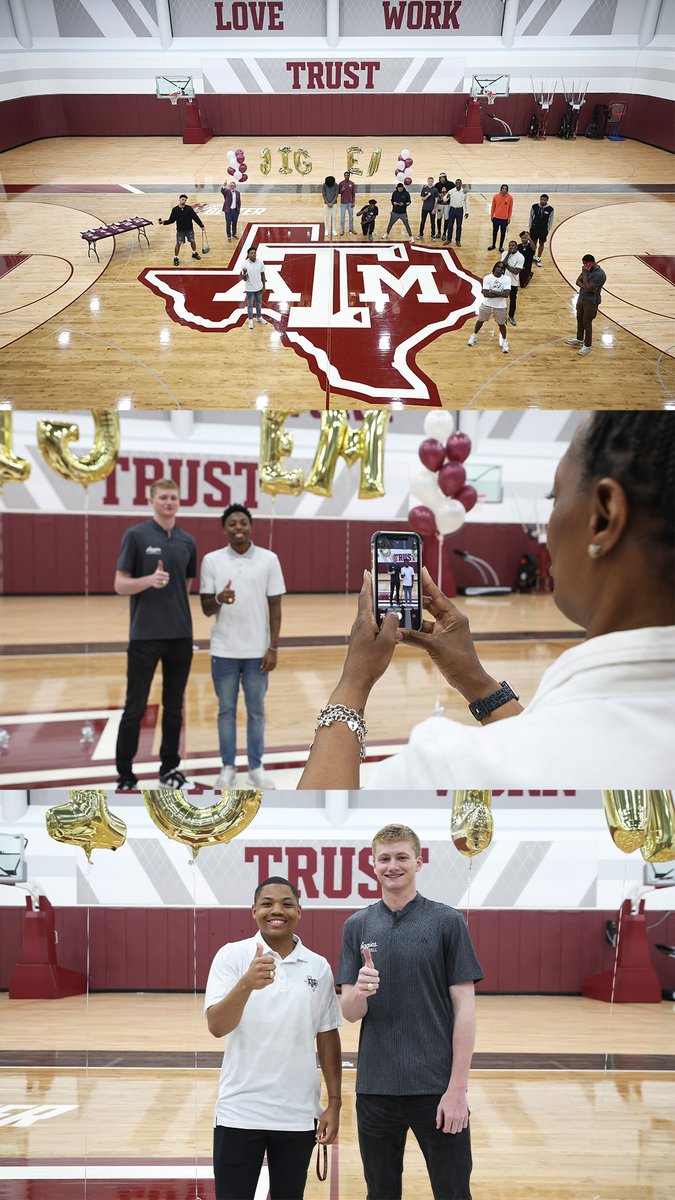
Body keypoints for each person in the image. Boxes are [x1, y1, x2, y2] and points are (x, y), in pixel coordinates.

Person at [298, 412, 675, 789]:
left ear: (605, 516)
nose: (550, 521)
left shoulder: (447, 768)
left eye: (554, 497)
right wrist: (476, 681)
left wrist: (353, 682)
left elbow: (320, 837)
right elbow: (540, 747)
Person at [338, 824, 482, 1200]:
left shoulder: (447, 921)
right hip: (375, 1089)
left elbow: (465, 1008)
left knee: (453, 1193)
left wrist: (457, 1090)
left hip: (435, 1089)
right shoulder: (357, 926)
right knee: (381, 1194)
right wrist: (362, 989)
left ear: (419, 861)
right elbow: (350, 1012)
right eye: (384, 858)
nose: (393, 866)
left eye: (402, 857)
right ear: (372, 865)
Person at [205, 876, 342, 1200]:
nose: (276, 910)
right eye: (267, 904)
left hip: (297, 1114)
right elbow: (216, 1026)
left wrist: (334, 1103)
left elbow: (327, 1034)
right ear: (253, 910)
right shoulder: (232, 956)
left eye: (286, 903)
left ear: (299, 911)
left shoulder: (318, 966)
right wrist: (246, 984)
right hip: (239, 1111)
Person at [114, 478, 196, 791]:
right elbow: (120, 585)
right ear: (152, 501)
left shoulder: (187, 541)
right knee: (134, 707)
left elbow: (185, 587)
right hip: (144, 637)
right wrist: (149, 580)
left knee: (174, 706)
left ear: (179, 501)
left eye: (173, 497)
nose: (169, 502)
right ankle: (125, 775)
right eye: (163, 497)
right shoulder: (135, 536)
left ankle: (170, 770)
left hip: (180, 637)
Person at [200, 503, 285, 789]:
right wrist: (221, 598)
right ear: (224, 529)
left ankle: (256, 767)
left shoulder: (269, 559)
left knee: (256, 710)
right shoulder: (211, 560)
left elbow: (276, 607)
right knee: (226, 710)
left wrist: (273, 647)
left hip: (257, 652)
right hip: (223, 650)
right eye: (232, 523)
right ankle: (227, 767)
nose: (238, 527)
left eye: (243, 523)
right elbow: (205, 608)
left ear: (250, 526)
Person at [566, 253, 607, 357]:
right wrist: (586, 285)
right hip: (582, 298)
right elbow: (577, 282)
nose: (584, 266)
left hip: (591, 302)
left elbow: (589, 288)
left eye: (585, 264)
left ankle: (587, 345)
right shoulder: (588, 269)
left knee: (587, 323)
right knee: (579, 319)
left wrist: (584, 275)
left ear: (591, 262)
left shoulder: (600, 275)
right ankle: (579, 339)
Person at [467, 260, 510, 354]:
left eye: (502, 268)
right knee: (480, 321)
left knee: (502, 324)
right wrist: (500, 293)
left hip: (500, 307)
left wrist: (493, 291)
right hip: (486, 304)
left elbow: (506, 294)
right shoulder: (487, 278)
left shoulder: (507, 279)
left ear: (503, 270)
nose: (500, 268)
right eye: (498, 266)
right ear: (495, 267)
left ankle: (504, 340)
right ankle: (474, 335)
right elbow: (486, 294)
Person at [159, 193, 204, 266]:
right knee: (178, 244)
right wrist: (164, 222)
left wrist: (201, 225)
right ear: (179, 199)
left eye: (185, 200)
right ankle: (176, 257)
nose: (184, 201)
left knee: (192, 241)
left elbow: (195, 217)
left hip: (189, 229)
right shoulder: (175, 210)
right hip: (180, 230)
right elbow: (172, 220)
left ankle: (194, 253)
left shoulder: (189, 208)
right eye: (183, 199)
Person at [241, 246, 266, 330]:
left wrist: (264, 286)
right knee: (250, 305)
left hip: (259, 288)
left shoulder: (260, 262)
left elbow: (263, 274)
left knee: (259, 303)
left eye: (254, 253)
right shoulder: (244, 264)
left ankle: (259, 317)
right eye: (251, 253)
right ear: (248, 255)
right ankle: (250, 320)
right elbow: (245, 279)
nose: (253, 254)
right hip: (250, 289)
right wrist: (244, 273)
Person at [501, 239, 525, 326]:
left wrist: (506, 265)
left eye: (513, 245)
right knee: (502, 298)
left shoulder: (520, 257)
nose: (511, 247)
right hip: (503, 281)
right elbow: (502, 265)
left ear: (516, 247)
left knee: (513, 300)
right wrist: (508, 254)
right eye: (510, 245)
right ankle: (501, 315)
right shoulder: (504, 253)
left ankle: (511, 316)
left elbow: (516, 271)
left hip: (513, 282)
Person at [529, 193, 555, 265]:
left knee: (541, 243)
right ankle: (533, 256)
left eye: (544, 200)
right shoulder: (534, 206)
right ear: (540, 199)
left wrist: (547, 229)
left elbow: (551, 220)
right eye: (542, 199)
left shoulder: (550, 209)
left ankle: (539, 257)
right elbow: (531, 217)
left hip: (543, 229)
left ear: (547, 201)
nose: (543, 201)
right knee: (533, 242)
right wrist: (530, 227)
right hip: (534, 227)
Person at [488, 183, 512, 252]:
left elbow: (510, 209)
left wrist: (509, 218)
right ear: (501, 189)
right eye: (503, 188)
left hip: (504, 219)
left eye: (505, 189)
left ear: (507, 190)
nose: (504, 190)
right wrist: (492, 216)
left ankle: (501, 246)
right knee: (494, 232)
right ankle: (493, 245)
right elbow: (493, 207)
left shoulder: (510, 197)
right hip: (496, 218)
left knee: (503, 233)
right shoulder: (496, 196)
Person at [445, 178, 469, 246]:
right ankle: (448, 239)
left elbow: (467, 202)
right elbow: (444, 199)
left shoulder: (464, 192)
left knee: (459, 226)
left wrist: (467, 212)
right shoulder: (451, 191)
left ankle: (458, 240)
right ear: (455, 184)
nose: (458, 184)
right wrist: (447, 196)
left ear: (461, 184)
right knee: (450, 226)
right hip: (452, 210)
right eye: (457, 183)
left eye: (459, 183)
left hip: (459, 210)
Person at [338, 170, 357, 234]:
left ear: (349, 176)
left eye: (348, 175)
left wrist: (353, 202)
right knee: (342, 217)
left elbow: (353, 193)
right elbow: (338, 192)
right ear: (344, 176)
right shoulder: (341, 183)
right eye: (345, 175)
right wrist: (342, 190)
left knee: (351, 217)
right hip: (343, 203)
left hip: (350, 203)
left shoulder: (352, 183)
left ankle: (351, 229)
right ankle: (342, 229)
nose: (347, 176)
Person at [322, 175, 339, 239]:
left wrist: (332, 203)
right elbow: (323, 194)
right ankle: (326, 230)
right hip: (326, 204)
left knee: (334, 217)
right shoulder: (324, 185)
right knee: (326, 217)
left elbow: (336, 195)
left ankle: (334, 229)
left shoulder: (336, 185)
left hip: (334, 204)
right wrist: (328, 203)